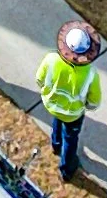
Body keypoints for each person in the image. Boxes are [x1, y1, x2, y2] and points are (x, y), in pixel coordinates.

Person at [36, 19, 102, 181]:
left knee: (57, 121)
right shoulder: (90, 74)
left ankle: (55, 145)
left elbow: (39, 79)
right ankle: (66, 169)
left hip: (52, 105)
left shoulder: (51, 59)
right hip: (73, 114)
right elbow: (94, 103)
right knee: (71, 139)